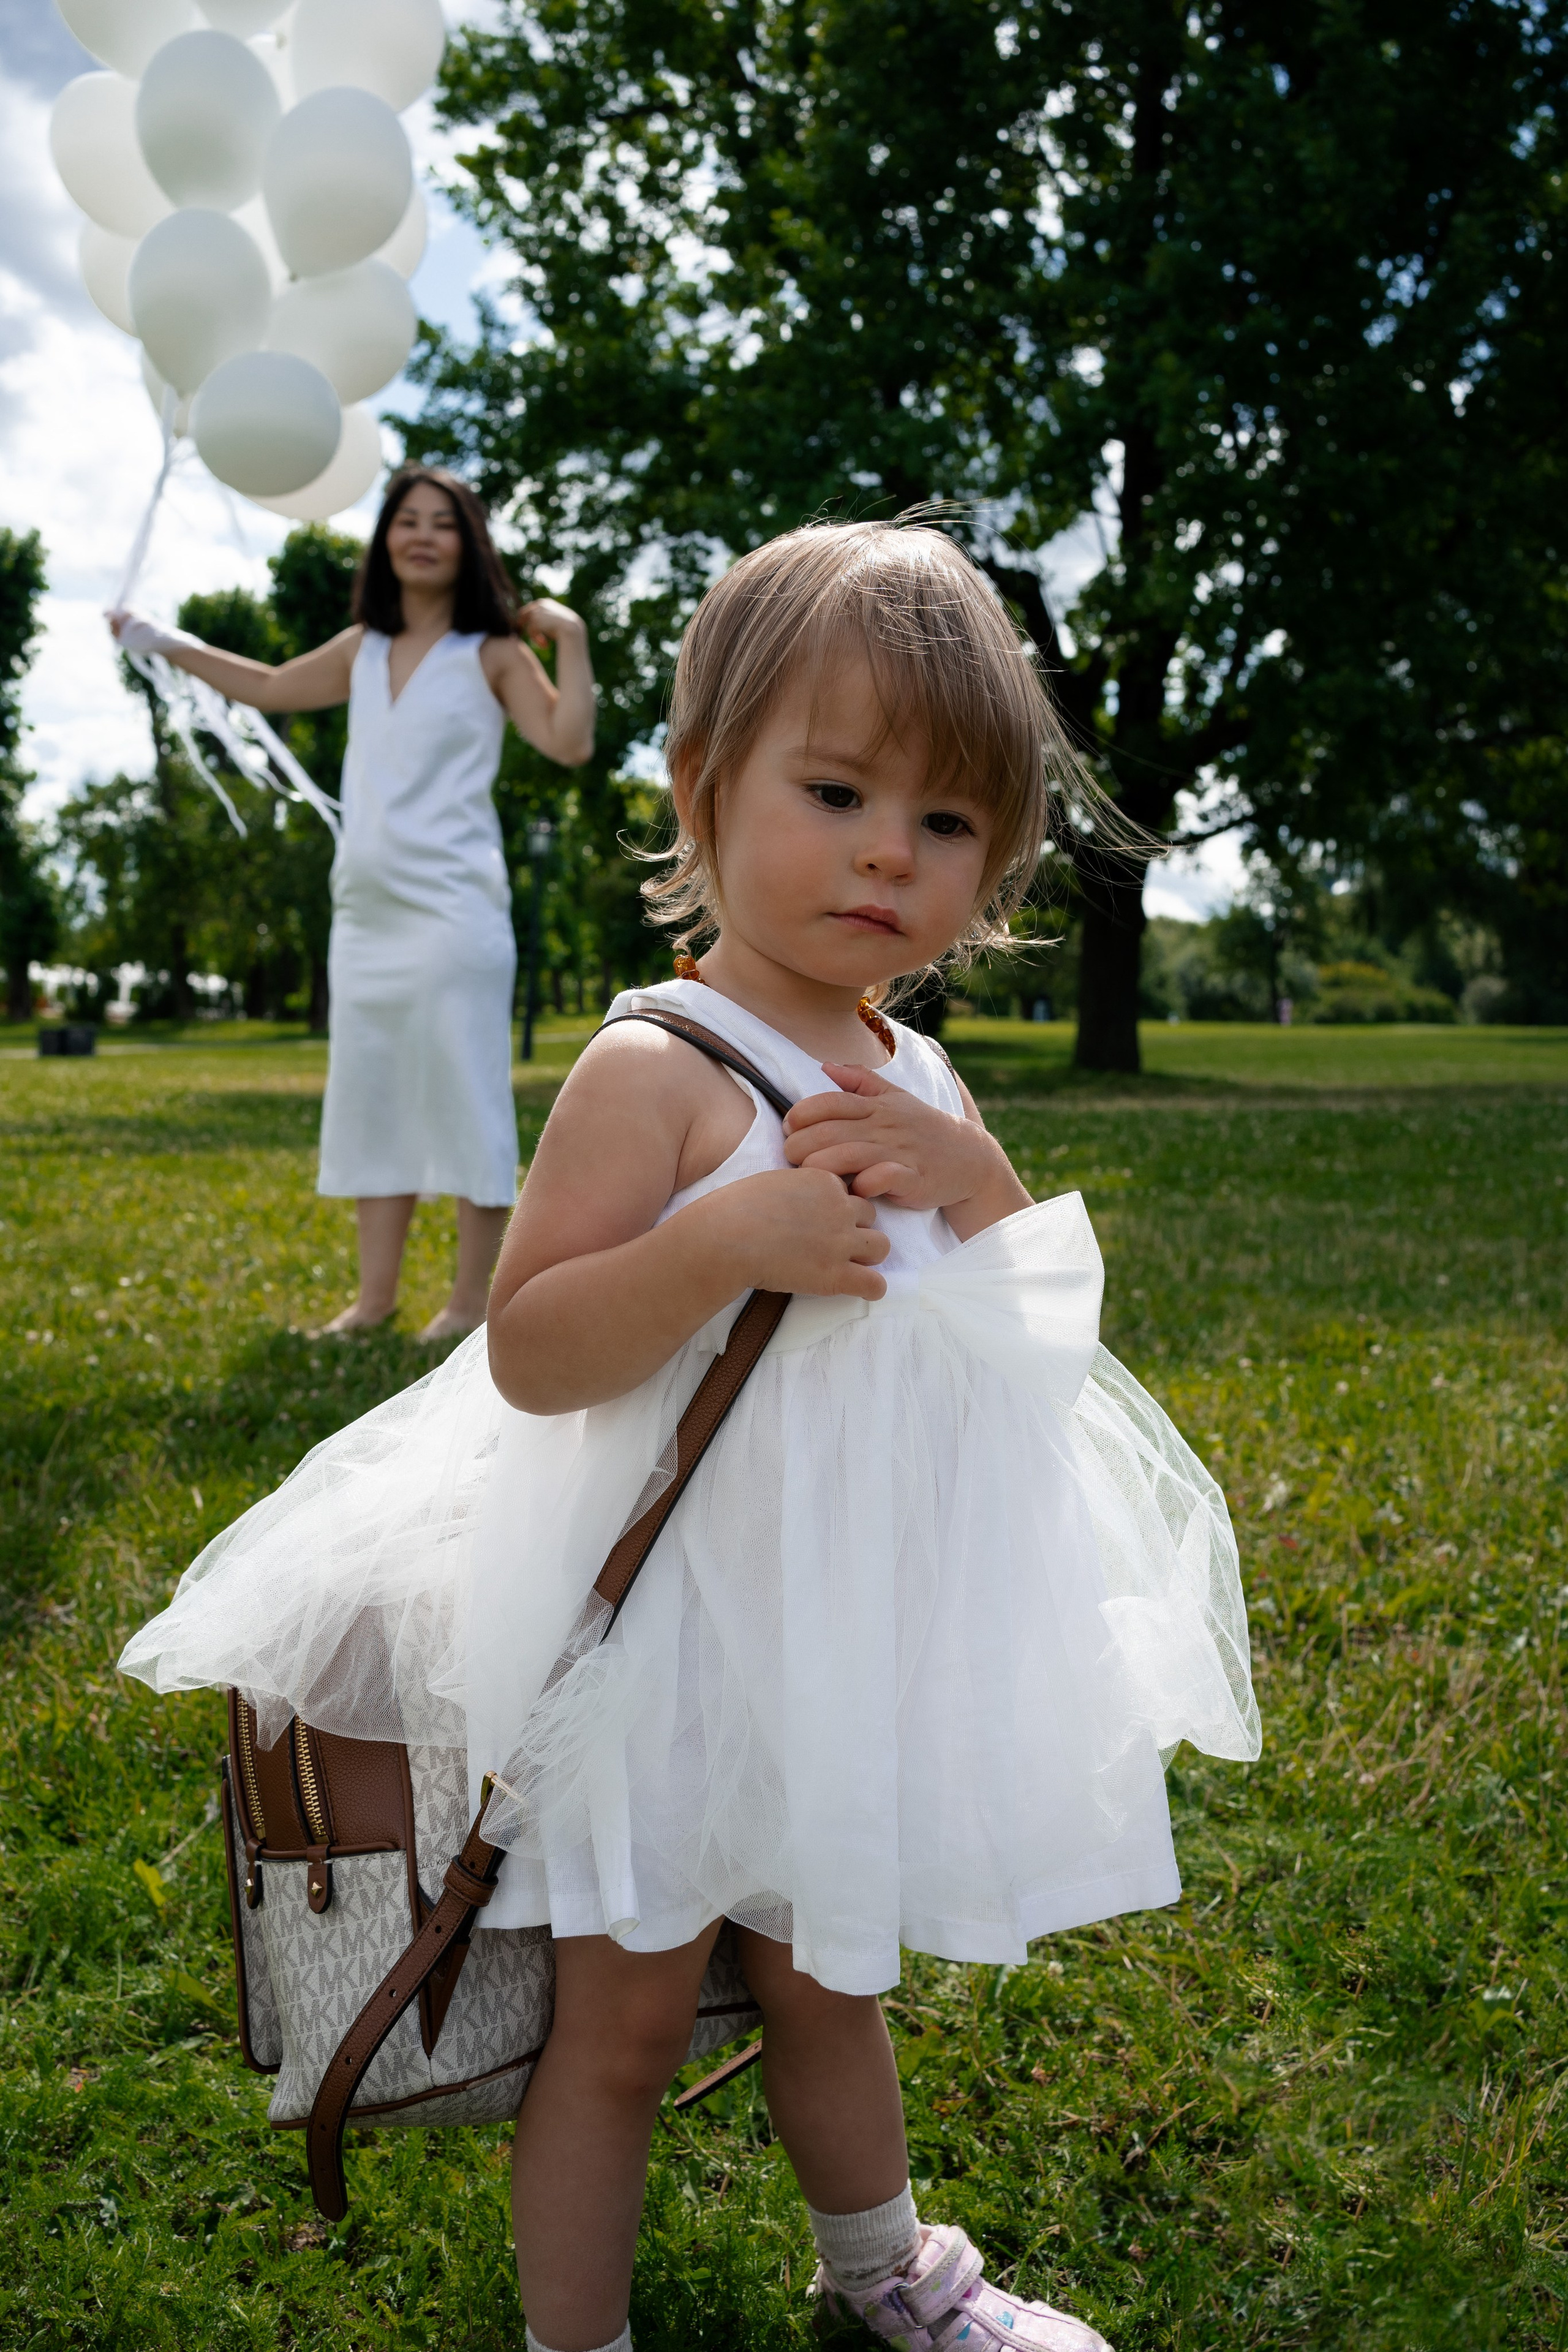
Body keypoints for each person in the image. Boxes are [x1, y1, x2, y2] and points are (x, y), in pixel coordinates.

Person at [119, 520, 1260, 2352]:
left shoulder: (922, 1077)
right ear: (701, 784)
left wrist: (974, 1183)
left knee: (828, 1977)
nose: (888, 852)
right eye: (837, 792)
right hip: (660, 1656)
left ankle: (883, 2270)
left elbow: (1024, 1343)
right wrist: (717, 1245)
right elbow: (530, 1349)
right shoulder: (657, 1067)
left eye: (947, 821)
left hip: (842, 1640)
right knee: (626, 2023)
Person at [109, 467, 595, 1341]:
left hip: (455, 907)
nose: (421, 536)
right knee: (374, 1095)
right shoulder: (362, 646)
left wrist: (570, 636)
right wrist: (162, 640)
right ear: (385, 539)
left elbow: (569, 742)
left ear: (468, 545)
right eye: (406, 520)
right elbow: (266, 686)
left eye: (441, 523)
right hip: (367, 911)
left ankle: (466, 1306)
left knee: (465, 1090)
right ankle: (374, 1302)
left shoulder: (493, 653)